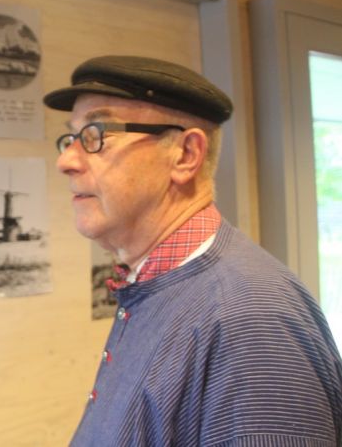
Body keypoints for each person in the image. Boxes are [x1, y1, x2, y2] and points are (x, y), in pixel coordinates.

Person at [44, 55, 342, 446]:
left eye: (96, 133)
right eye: (71, 138)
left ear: (185, 155)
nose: (65, 160)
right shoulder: (155, 285)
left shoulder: (250, 323)